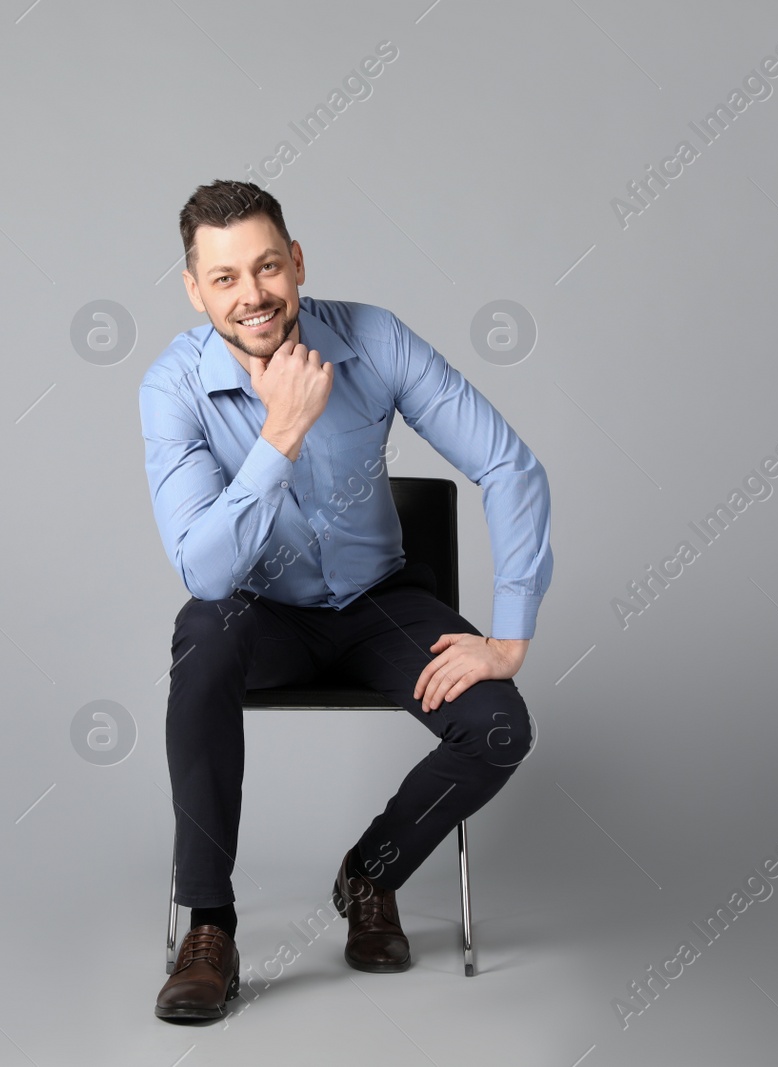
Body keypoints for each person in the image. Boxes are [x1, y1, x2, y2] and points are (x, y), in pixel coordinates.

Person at [140, 179, 553, 1022]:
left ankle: (371, 871)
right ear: (195, 289)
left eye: (265, 267)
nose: (251, 295)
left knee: (500, 726)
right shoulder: (171, 387)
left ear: (296, 262)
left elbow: (510, 465)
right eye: (224, 278)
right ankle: (209, 924)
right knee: (204, 632)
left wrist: (508, 636)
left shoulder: (374, 338)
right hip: (261, 614)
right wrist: (281, 433)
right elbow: (207, 571)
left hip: (381, 603)